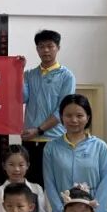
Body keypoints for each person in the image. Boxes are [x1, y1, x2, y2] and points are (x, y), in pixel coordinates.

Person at [43, 94, 107, 212]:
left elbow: (106, 182)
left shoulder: (100, 147)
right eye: (68, 115)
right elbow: (49, 182)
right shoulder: (51, 148)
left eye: (79, 115)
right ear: (61, 117)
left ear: (88, 117)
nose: (74, 120)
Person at [20, 30, 76, 185]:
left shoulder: (66, 76)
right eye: (41, 46)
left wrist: (39, 130)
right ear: (37, 49)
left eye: (50, 46)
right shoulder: (29, 74)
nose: (45, 50)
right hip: (30, 139)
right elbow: (22, 98)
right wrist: (19, 71)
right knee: (31, 186)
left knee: (56, 184)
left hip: (54, 139)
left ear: (58, 48)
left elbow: (62, 110)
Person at [0, 145, 49, 212]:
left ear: (27, 165)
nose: (16, 169)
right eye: (11, 165)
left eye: (21, 165)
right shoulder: (0, 191)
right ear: (4, 166)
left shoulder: (36, 189)